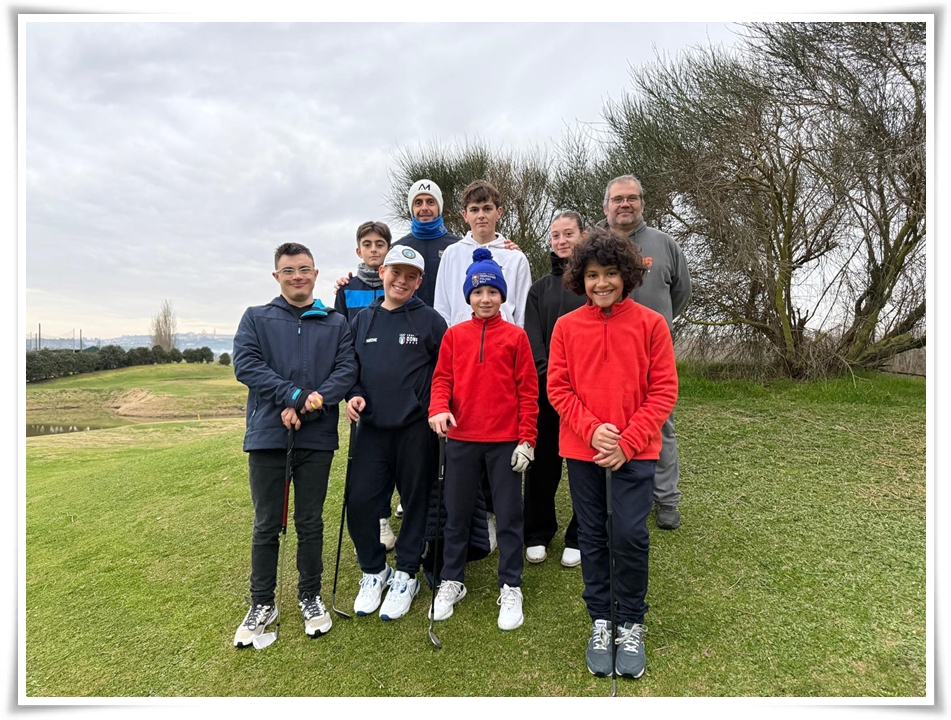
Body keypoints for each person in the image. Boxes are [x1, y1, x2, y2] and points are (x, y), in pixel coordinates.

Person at [547, 226, 678, 679]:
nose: (601, 283)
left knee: (629, 534)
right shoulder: (566, 327)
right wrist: (590, 430)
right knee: (593, 537)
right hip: (582, 449)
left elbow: (664, 391)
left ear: (626, 275)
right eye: (591, 275)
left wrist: (628, 441)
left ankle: (631, 622)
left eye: (609, 274)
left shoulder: (651, 324)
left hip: (635, 451)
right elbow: (558, 388)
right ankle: (601, 619)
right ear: (579, 279)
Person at [231, 242, 358, 647]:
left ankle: (310, 595)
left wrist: (309, 405)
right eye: (289, 270)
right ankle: (262, 602)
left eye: (304, 269)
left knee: (309, 521)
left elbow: (346, 370)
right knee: (267, 523)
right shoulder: (256, 317)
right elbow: (247, 366)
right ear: (277, 276)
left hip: (316, 437)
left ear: (315, 274)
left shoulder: (336, 323)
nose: (297, 276)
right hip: (268, 434)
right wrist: (293, 396)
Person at [428, 247, 538, 631]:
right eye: (478, 292)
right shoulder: (454, 336)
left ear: (502, 295)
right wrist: (438, 408)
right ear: (468, 296)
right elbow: (441, 381)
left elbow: (528, 392)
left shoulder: (516, 337)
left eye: (492, 292)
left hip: (506, 441)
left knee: (508, 516)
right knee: (456, 514)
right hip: (461, 438)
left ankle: (511, 584)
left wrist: (528, 439)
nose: (485, 299)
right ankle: (451, 580)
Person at [344, 245, 448, 620]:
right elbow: (350, 368)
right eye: (396, 273)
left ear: (419, 282)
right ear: (383, 273)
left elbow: (445, 372)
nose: (401, 281)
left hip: (415, 429)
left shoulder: (431, 321)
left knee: (416, 502)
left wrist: (435, 408)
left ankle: (406, 573)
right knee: (359, 501)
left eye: (410, 276)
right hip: (371, 429)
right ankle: (374, 570)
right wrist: (353, 394)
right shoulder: (363, 320)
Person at [602, 174, 691, 530]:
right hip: (605, 351)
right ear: (606, 206)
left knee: (659, 423)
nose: (625, 204)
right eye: (618, 199)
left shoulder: (664, 243)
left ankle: (666, 499)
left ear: (642, 203)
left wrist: (657, 327)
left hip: (652, 353)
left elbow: (681, 293)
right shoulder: (593, 242)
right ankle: (608, 494)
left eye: (632, 198)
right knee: (606, 421)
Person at [523, 210, 587, 567]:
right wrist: (553, 382)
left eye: (568, 234)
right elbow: (534, 342)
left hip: (586, 396)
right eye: (555, 235)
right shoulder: (539, 289)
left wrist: (579, 387)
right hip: (547, 393)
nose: (561, 241)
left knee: (582, 466)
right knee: (542, 465)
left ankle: (579, 534)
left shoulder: (592, 285)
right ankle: (537, 531)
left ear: (583, 236)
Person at [334, 220, 398, 551]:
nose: (374, 249)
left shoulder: (399, 284)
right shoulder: (345, 290)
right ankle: (380, 516)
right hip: (363, 389)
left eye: (380, 244)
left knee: (401, 454)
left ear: (388, 248)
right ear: (358, 251)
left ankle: (402, 506)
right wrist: (350, 390)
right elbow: (342, 345)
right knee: (371, 460)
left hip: (396, 386)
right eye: (368, 244)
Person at [433, 179, 533, 328]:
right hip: (461, 339)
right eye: (474, 210)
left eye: (487, 209)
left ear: (498, 212)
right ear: (465, 215)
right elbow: (442, 308)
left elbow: (522, 314)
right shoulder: (451, 254)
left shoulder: (516, 257)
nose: (481, 215)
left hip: (504, 339)